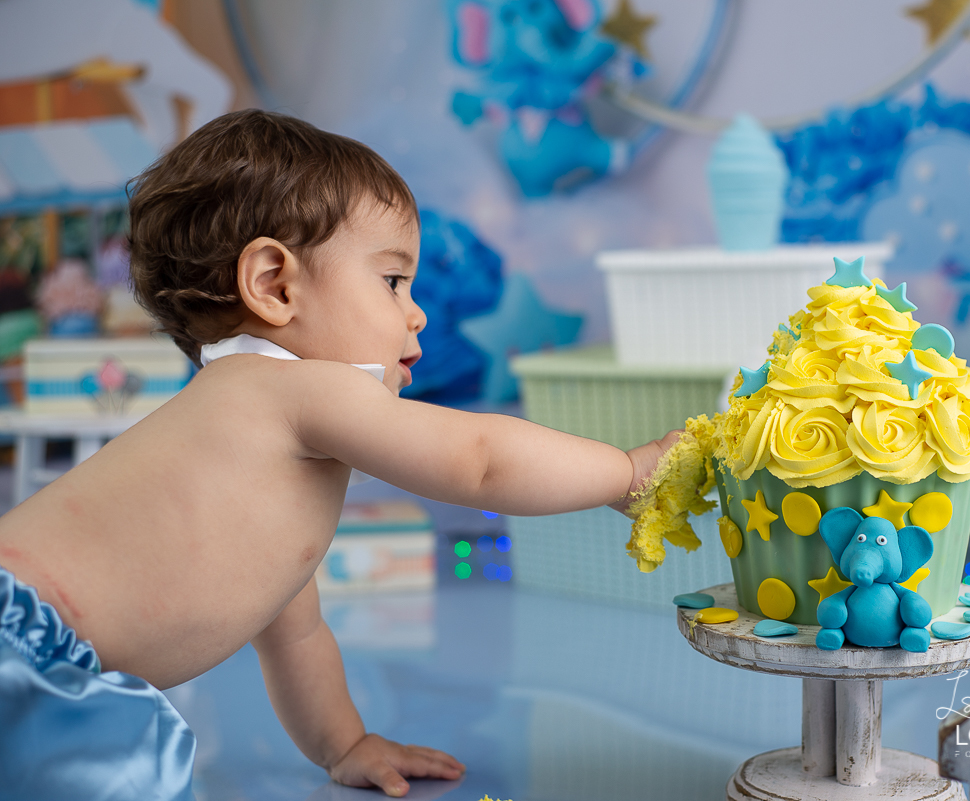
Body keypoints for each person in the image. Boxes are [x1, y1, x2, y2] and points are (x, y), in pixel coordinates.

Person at [0, 110, 675, 800]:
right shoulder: (295, 392)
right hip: (19, 637)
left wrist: (344, 743)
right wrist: (627, 471)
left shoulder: (253, 450)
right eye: (391, 282)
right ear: (274, 284)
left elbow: (297, 636)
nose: (417, 315)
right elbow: (479, 459)